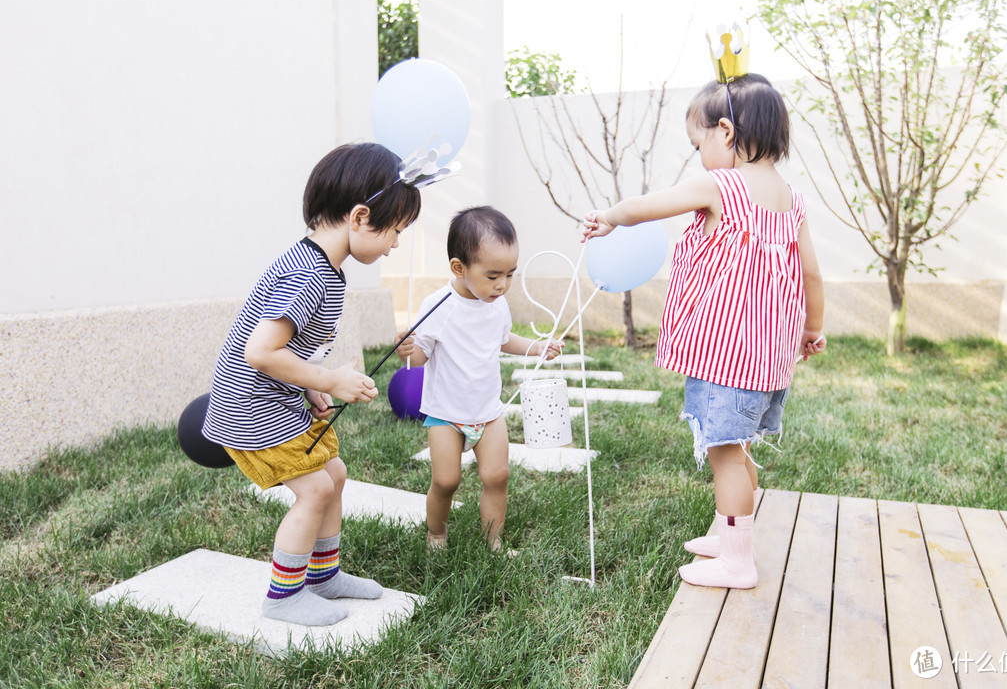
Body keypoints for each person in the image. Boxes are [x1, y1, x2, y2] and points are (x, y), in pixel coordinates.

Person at [582, 73, 826, 589]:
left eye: (699, 145)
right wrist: (813, 328)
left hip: (728, 360)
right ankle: (732, 534)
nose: (699, 157)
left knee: (725, 454)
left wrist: (611, 217)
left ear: (726, 132)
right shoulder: (793, 200)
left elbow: (653, 203)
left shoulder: (721, 186)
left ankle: (738, 563)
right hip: (769, 360)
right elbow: (810, 272)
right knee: (738, 450)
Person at [202, 143, 421, 625]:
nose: (395, 245)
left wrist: (309, 387)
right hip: (250, 410)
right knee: (315, 490)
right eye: (396, 231)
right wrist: (329, 377)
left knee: (334, 474)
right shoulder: (308, 277)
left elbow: (285, 353)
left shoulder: (324, 267)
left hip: (272, 399)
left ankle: (323, 575)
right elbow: (259, 352)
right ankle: (283, 596)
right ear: (361, 217)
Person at [395, 206, 562, 554]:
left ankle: (494, 541)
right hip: (446, 413)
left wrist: (536, 347)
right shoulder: (437, 305)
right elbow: (420, 358)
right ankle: (436, 532)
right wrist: (407, 349)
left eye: (510, 275)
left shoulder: (496, 303)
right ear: (459, 268)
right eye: (493, 275)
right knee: (445, 480)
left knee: (497, 476)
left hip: (488, 412)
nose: (502, 285)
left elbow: (504, 340)